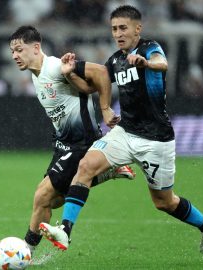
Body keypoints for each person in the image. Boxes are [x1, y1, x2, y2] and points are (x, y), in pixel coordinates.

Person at [39, 5, 203, 254]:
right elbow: (89, 87)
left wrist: (146, 62)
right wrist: (70, 75)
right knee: (86, 166)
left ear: (138, 28)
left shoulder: (149, 49)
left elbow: (162, 63)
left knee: (164, 202)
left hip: (156, 141)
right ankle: (66, 231)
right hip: (125, 132)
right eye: (114, 28)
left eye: (123, 28)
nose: (118, 33)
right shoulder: (116, 60)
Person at [8, 26, 135, 254]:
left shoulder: (56, 66)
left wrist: (105, 109)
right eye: (12, 52)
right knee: (53, 201)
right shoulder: (36, 74)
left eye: (19, 49)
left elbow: (102, 73)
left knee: (41, 196)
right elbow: (84, 89)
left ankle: (24, 253)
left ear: (36, 47)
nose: (15, 55)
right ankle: (104, 172)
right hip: (64, 143)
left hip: (80, 143)